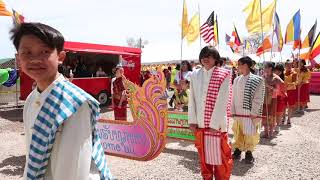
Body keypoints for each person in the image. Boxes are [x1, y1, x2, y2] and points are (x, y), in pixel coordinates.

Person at [11, 22, 112, 180]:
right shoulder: (32, 99)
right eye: (27, 53)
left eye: (44, 51)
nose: (35, 59)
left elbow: (73, 171)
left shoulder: (75, 104)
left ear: (60, 57)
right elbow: (31, 156)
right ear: (18, 59)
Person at [188, 46, 233, 180]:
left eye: (209, 55)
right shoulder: (195, 74)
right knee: (204, 157)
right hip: (200, 124)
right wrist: (192, 120)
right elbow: (192, 99)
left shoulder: (224, 73)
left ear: (215, 58)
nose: (206, 58)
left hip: (217, 126)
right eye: (203, 55)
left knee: (221, 158)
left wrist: (214, 124)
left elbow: (223, 100)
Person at [231, 56, 265, 164]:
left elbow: (258, 98)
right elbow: (233, 96)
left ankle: (249, 152)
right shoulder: (236, 79)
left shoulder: (258, 80)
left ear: (245, 65)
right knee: (238, 132)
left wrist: (254, 113)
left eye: (239, 64)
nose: (237, 67)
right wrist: (233, 110)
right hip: (238, 112)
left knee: (251, 133)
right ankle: (237, 149)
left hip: (250, 113)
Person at [262, 62, 283, 138]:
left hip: (272, 99)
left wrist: (269, 86)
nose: (264, 69)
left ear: (270, 68)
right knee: (264, 114)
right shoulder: (263, 77)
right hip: (264, 98)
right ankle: (265, 132)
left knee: (271, 115)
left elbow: (278, 89)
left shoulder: (275, 78)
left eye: (265, 67)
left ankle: (270, 132)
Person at [274, 64, 287, 131]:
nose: (277, 72)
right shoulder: (270, 78)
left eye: (279, 71)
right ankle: (273, 125)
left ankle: (277, 125)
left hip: (280, 97)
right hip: (272, 97)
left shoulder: (282, 79)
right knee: (274, 112)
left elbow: (284, 89)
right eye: (276, 70)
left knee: (279, 112)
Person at [284, 60, 297, 125]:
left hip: (291, 90)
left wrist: (287, 84)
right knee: (283, 105)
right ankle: (283, 117)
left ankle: (289, 118)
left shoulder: (294, 73)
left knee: (290, 105)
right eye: (287, 65)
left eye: (290, 65)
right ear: (285, 66)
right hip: (283, 91)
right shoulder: (282, 73)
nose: (289, 67)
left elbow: (295, 82)